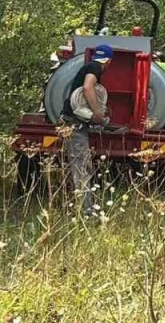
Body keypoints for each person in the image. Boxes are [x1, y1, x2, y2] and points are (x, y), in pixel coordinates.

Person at [65, 44, 113, 215]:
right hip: (76, 125)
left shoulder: (89, 66)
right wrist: (97, 112)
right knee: (81, 168)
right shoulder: (95, 68)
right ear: (108, 61)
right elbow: (87, 87)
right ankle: (85, 212)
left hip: (76, 123)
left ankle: (86, 206)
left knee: (84, 166)